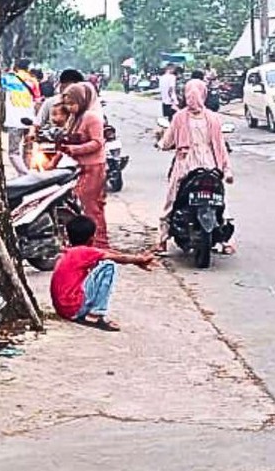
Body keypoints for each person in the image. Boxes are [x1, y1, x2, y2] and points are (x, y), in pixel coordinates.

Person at [156, 77, 235, 254]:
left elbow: (167, 141)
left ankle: (162, 240)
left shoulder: (179, 117)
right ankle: (227, 242)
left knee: (172, 198)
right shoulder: (213, 118)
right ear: (204, 94)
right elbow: (220, 146)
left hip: (185, 164)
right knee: (220, 200)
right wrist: (226, 169)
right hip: (210, 164)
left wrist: (160, 144)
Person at [50, 215, 157, 331]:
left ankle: (91, 312)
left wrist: (137, 261)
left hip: (63, 309)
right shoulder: (85, 252)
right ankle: (95, 315)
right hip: (74, 308)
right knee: (108, 266)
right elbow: (119, 257)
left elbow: (107, 252)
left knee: (101, 263)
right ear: (92, 238)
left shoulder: (70, 251)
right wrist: (141, 259)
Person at [57, 81, 110, 249]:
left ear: (82, 100)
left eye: (72, 103)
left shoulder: (91, 118)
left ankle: (99, 244)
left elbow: (97, 143)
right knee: (84, 205)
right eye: (67, 104)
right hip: (81, 167)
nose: (69, 107)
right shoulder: (75, 118)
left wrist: (75, 149)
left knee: (92, 207)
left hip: (94, 166)